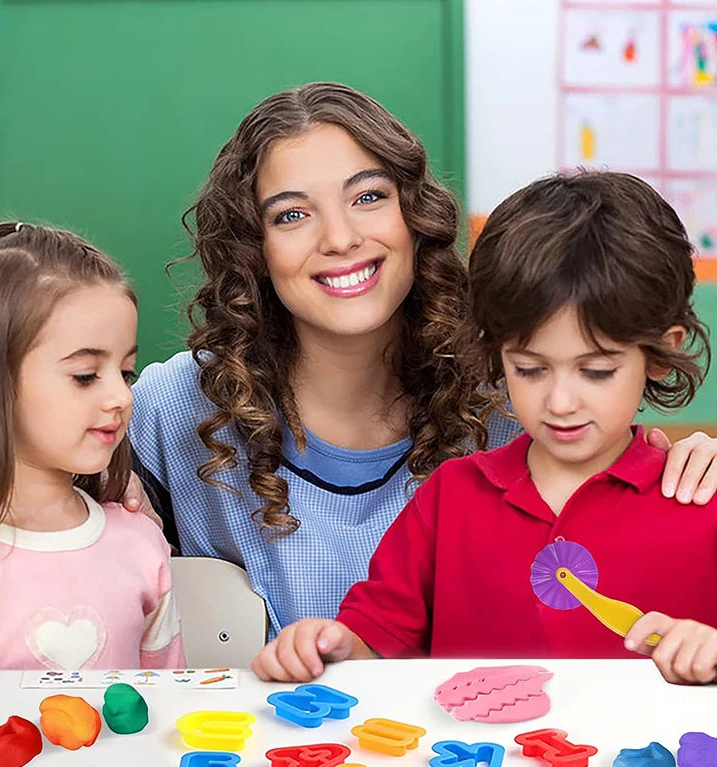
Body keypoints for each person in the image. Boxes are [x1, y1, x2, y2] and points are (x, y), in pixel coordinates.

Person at [128, 82, 717, 638]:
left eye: (368, 197)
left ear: (415, 217)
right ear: (252, 249)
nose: (340, 238)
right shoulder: (173, 407)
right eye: (291, 214)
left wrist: (695, 469)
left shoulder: (514, 399)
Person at [251, 171, 717, 686]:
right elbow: (373, 637)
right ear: (496, 353)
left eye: (597, 371)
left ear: (659, 354)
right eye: (530, 368)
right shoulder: (451, 497)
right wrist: (331, 644)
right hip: (472, 766)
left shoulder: (702, 501)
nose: (560, 402)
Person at [0, 223, 184, 670]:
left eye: (126, 372)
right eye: (85, 375)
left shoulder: (140, 545)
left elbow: (167, 710)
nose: (120, 396)